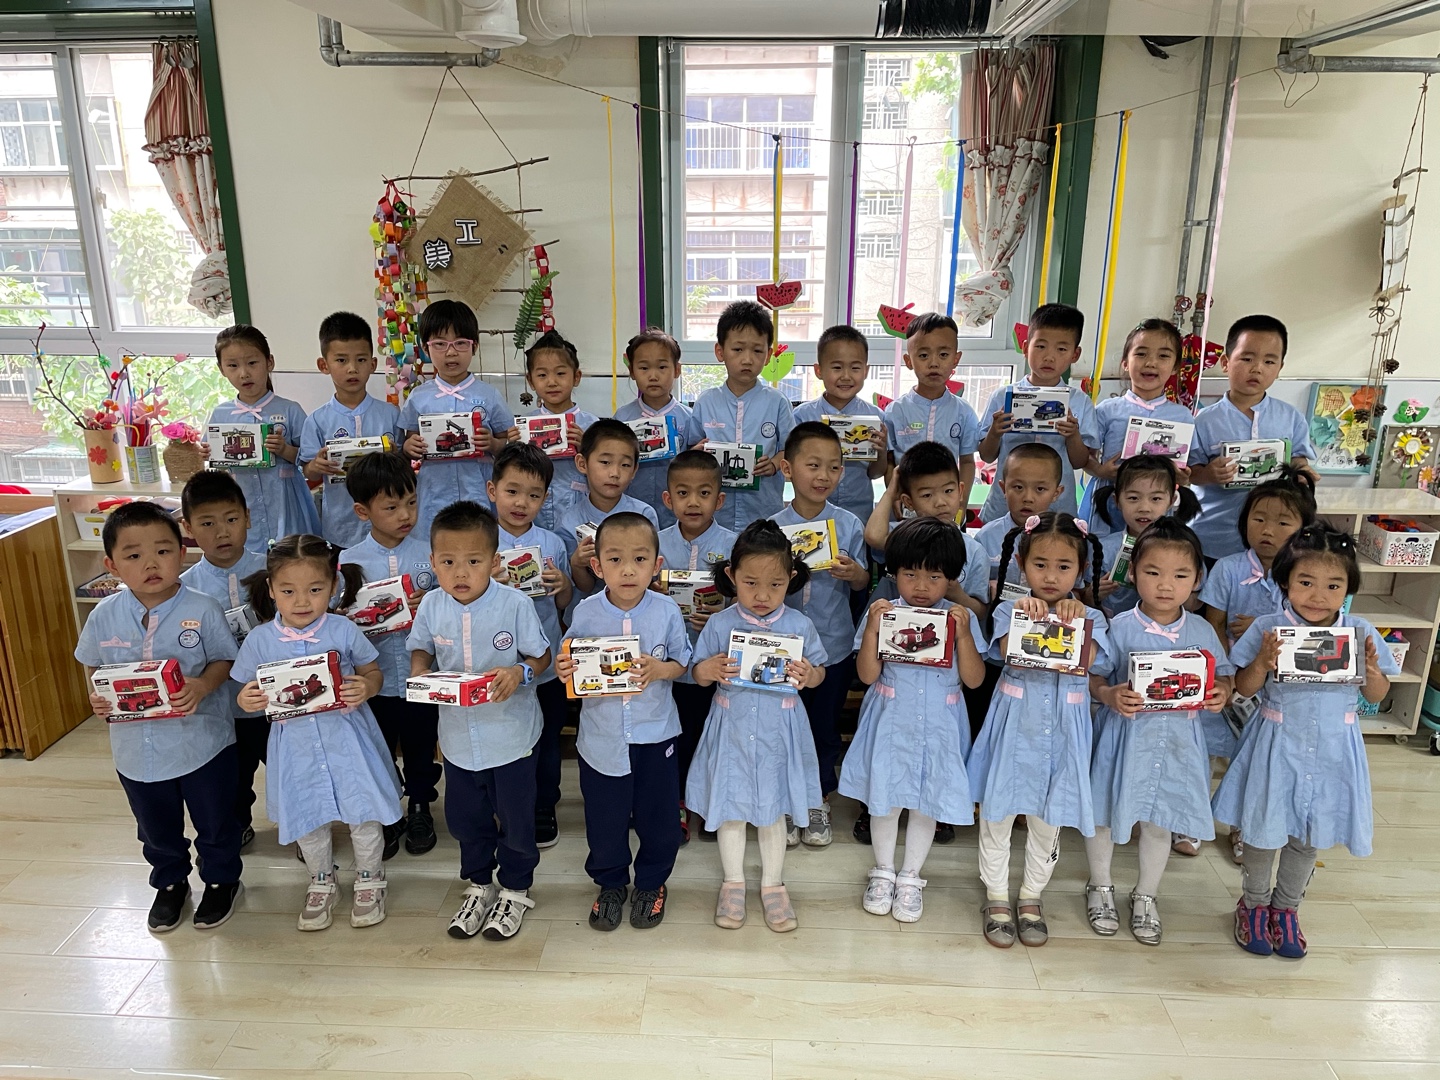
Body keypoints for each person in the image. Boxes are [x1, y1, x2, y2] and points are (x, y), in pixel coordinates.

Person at [1213, 524, 1397, 958]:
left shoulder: (1360, 631)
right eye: (1306, 582)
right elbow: (1243, 688)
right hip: (1278, 744)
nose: (1318, 596)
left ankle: (1286, 908)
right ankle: (1254, 904)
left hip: (1334, 749)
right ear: (1285, 582)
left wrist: (1372, 673)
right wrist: (1262, 663)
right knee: (1264, 829)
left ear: (1348, 588)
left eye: (1333, 585)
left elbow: (1377, 695)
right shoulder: (1269, 627)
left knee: (1309, 833)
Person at [75, 502, 242, 932]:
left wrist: (202, 685)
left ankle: (222, 880)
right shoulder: (103, 615)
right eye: (133, 556)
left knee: (216, 820)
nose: (151, 564)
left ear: (182, 553)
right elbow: (93, 666)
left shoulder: (203, 608)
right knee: (154, 827)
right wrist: (97, 696)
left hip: (201, 743)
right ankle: (170, 883)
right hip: (136, 752)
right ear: (112, 565)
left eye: (163, 551)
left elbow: (225, 660)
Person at [232, 535, 401, 931]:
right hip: (295, 747)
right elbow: (244, 690)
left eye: (315, 589)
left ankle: (370, 876)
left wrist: (367, 687)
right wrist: (247, 699)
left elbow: (373, 672)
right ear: (271, 589)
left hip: (347, 739)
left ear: (333, 586)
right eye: (288, 591)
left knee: (363, 811)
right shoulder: (259, 640)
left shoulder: (342, 630)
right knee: (307, 814)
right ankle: (321, 879)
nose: (302, 601)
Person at [1084, 519, 1234, 946]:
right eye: (1153, 572)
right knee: (1105, 815)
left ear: (1197, 580)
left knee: (1160, 819)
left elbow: (1223, 676)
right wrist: (1108, 694)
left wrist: (1221, 693)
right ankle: (1100, 885)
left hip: (1178, 743)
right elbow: (1094, 677)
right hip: (1123, 738)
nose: (1166, 585)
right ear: (1132, 572)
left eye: (1180, 575)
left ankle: (1146, 894)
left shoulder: (1202, 631)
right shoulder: (1117, 626)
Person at [407, 501, 552, 942]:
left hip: (511, 736)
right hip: (456, 739)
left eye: (473, 561)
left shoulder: (515, 604)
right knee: (465, 818)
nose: (461, 573)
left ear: (493, 561)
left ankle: (516, 888)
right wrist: (420, 671)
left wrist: (519, 672)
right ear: (433, 562)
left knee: (516, 820)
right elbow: (421, 647)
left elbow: (541, 656)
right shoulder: (431, 606)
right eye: (448, 562)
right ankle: (479, 883)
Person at [968, 511, 1110, 948]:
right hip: (1016, 725)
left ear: (1081, 570)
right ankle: (996, 895)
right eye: (1040, 565)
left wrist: (1076, 619)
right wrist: (1027, 616)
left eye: (1064, 566)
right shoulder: (1010, 609)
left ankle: (1031, 895)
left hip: (1065, 732)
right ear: (1021, 564)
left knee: (1049, 818)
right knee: (998, 812)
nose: (1050, 576)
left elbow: (1093, 662)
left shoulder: (1092, 616)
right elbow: (1004, 651)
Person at [841, 518, 986, 923]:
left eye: (934, 577)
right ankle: (883, 871)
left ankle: (910, 876)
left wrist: (963, 636)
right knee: (884, 799)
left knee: (928, 802)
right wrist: (873, 630)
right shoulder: (884, 614)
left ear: (952, 578)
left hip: (941, 722)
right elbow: (867, 675)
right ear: (894, 573)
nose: (921, 586)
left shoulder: (960, 618)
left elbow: (975, 680)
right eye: (910, 574)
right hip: (891, 718)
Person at [687, 520, 827, 933]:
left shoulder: (799, 625)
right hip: (730, 728)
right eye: (750, 583)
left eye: (776, 585)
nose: (762, 595)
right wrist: (708, 670)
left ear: (791, 579)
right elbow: (697, 673)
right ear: (732, 576)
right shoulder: (719, 623)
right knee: (730, 809)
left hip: (779, 731)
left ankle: (772, 885)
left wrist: (809, 675)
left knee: (772, 811)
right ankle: (732, 882)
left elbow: (820, 671)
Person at [557, 513, 691, 930]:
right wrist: (564, 668)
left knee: (660, 819)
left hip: (655, 734)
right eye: (615, 559)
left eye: (640, 559)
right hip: (602, 738)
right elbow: (569, 657)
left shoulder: (667, 610)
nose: (628, 570)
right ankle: (611, 883)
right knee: (605, 820)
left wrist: (659, 669)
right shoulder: (586, 612)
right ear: (597, 566)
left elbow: (682, 662)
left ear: (657, 565)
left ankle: (651, 883)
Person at [858, 441, 992, 846]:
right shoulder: (903, 538)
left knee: (936, 769)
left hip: (941, 700)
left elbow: (979, 620)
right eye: (927, 494)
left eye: (948, 491)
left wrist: (956, 601)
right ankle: (875, 811)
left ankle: (936, 815)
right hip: (894, 697)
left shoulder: (971, 550)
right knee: (884, 767)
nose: (921, 585)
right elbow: (875, 535)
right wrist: (893, 481)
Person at [339, 452, 440, 859]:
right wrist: (355, 614)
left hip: (421, 675)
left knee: (421, 745)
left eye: (411, 503)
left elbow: (454, 600)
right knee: (379, 747)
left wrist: (432, 602)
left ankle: (420, 806)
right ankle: (387, 812)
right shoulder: (348, 561)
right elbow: (338, 621)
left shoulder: (430, 552)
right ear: (363, 512)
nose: (406, 515)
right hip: (374, 680)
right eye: (392, 507)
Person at [775, 422, 869, 847]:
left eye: (833, 467)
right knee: (783, 724)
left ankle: (817, 799)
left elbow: (863, 582)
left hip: (833, 646)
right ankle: (784, 799)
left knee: (824, 727)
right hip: (783, 647)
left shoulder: (848, 524)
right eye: (813, 465)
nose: (823, 475)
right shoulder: (772, 527)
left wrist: (854, 574)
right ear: (787, 468)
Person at [487, 442, 574, 849]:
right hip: (496, 663)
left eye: (534, 495)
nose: (522, 503)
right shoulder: (481, 543)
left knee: (547, 740)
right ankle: (504, 806)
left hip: (545, 665)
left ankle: (543, 805)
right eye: (512, 491)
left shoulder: (552, 543)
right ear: (492, 491)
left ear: (545, 498)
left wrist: (563, 585)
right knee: (502, 738)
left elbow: (565, 603)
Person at [179, 470, 268, 850]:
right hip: (221, 707)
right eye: (207, 523)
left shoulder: (275, 569)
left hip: (274, 701)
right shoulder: (184, 588)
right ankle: (237, 826)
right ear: (187, 528)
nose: (222, 532)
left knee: (291, 767)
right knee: (231, 779)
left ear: (247, 517)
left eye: (231, 519)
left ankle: (304, 828)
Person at [1188, 315, 1317, 561]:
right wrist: (1208, 474)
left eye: (1269, 361)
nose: (1257, 368)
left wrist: (1302, 473)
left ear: (1279, 368)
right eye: (1247, 358)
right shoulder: (1203, 421)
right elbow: (1190, 473)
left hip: (1273, 541)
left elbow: (1299, 460)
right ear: (1226, 362)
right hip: (1213, 538)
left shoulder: (1291, 418)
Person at [657, 449, 738, 842]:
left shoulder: (735, 546)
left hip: (715, 667)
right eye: (683, 493)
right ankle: (673, 805)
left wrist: (722, 616)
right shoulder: (654, 545)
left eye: (704, 493)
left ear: (718, 500)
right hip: (668, 668)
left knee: (712, 738)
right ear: (667, 499)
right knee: (673, 739)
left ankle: (708, 805)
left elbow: (749, 602)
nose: (693, 502)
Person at [399, 299, 515, 534]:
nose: (451, 352)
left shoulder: (489, 395)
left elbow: (509, 444)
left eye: (461, 343)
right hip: (433, 491)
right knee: (436, 542)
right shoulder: (418, 397)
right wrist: (410, 447)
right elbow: (408, 442)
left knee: (479, 541)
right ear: (426, 348)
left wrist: (493, 444)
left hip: (479, 489)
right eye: (440, 344)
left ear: (474, 346)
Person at [977, 303, 1100, 523]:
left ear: (1075, 354)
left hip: (1057, 508)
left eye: (1061, 349)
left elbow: (1080, 461)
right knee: (998, 543)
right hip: (1006, 506)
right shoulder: (1003, 396)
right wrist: (995, 432)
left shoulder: (1079, 402)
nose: (1049, 357)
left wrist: (1073, 435)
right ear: (1026, 348)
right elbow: (986, 456)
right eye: (1041, 346)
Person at [207, 324, 321, 549]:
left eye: (252, 363)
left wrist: (284, 450)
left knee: (292, 557)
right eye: (233, 365)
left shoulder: (290, 410)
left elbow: (310, 460)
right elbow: (217, 465)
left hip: (286, 504)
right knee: (253, 561)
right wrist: (206, 454)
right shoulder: (221, 414)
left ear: (269, 362)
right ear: (221, 369)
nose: (244, 373)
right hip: (243, 504)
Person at [298, 311, 403, 549]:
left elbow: (403, 464)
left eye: (361, 360)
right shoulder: (317, 420)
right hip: (340, 528)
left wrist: (397, 457)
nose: (352, 369)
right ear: (324, 365)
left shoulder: (390, 414)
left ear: (373, 364)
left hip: (388, 527)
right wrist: (316, 466)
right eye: (341, 360)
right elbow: (309, 472)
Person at [692, 300, 795, 532]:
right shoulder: (706, 402)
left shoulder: (778, 402)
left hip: (764, 512)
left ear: (768, 355)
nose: (747, 359)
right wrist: (696, 453)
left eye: (757, 351)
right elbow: (692, 448)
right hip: (714, 515)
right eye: (738, 349)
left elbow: (790, 449)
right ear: (720, 351)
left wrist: (774, 464)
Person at [1081, 318, 1195, 525]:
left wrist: (1184, 477)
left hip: (1155, 510)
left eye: (1163, 356)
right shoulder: (1107, 410)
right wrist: (1099, 470)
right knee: (1106, 545)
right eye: (1141, 354)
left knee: (1151, 544)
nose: (1151, 362)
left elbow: (1189, 467)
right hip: (1109, 503)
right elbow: (1085, 456)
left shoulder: (1182, 416)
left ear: (1175, 367)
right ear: (1125, 362)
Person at [556, 419, 659, 611]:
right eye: (605, 462)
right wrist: (577, 564)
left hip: (636, 610)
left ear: (635, 470)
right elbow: (585, 587)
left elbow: (649, 575)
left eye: (625, 465)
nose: (615, 473)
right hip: (590, 614)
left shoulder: (644, 514)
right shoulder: (569, 520)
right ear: (582, 463)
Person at [503, 329, 599, 531]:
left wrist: (587, 448)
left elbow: (604, 471)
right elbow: (511, 473)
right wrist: (512, 448)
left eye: (560, 373)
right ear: (530, 381)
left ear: (576, 377)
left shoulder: (592, 425)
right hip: (534, 512)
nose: (552, 382)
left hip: (580, 510)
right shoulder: (523, 426)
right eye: (542, 375)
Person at [881, 312, 979, 507]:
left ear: (956, 358)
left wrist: (961, 502)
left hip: (947, 507)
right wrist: (895, 498)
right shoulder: (895, 412)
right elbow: (889, 462)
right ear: (909, 361)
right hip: (907, 506)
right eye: (923, 355)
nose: (934, 363)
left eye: (943, 355)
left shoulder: (964, 412)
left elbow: (967, 461)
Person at [794, 324, 886, 527]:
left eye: (855, 368)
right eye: (836, 368)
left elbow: (875, 473)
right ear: (818, 370)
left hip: (859, 514)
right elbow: (793, 470)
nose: (846, 376)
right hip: (811, 514)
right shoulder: (802, 417)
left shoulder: (876, 417)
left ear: (866, 371)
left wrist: (881, 453)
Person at [614, 327, 704, 531]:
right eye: (644, 368)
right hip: (632, 510)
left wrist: (694, 455)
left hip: (677, 514)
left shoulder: (690, 418)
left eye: (662, 367)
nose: (653, 376)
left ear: (677, 370)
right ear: (632, 372)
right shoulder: (622, 418)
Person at [1090, 455, 1201, 618]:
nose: (1144, 508)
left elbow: (1195, 601)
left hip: (1169, 628)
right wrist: (1094, 593)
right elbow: (1083, 600)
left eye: (1156, 499)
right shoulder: (1102, 548)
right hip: (1113, 627)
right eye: (1133, 498)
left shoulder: (1185, 549)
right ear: (1117, 501)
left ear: (1171, 501)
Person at [972, 442, 1067, 594]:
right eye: (1018, 487)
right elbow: (973, 587)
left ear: (1056, 493)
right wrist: (988, 590)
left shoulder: (1067, 539)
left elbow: (1076, 591)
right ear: (1003, 488)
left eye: (1040, 489)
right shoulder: (986, 537)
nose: (1027, 498)